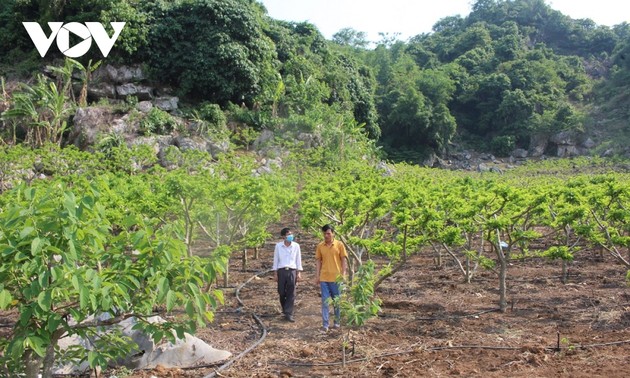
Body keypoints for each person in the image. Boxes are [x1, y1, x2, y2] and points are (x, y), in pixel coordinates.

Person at [315, 224, 348, 332]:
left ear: (333, 233)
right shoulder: (320, 246)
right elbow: (318, 262)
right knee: (325, 301)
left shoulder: (339, 245)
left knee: (337, 302)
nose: (326, 235)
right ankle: (325, 325)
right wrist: (317, 276)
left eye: (328, 233)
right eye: (324, 233)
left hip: (336, 278)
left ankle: (337, 323)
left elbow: (343, 260)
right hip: (324, 278)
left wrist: (343, 274)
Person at [273, 227, 302, 322]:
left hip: (292, 270)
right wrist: (275, 273)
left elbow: (298, 259)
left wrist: (299, 272)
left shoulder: (296, 246)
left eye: (291, 234)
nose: (290, 236)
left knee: (291, 292)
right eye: (288, 235)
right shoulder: (278, 246)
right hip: (281, 270)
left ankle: (288, 313)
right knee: (281, 292)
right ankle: (285, 309)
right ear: (283, 237)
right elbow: (276, 259)